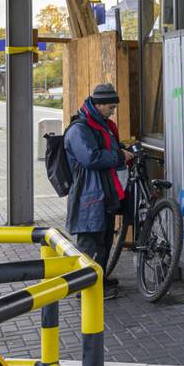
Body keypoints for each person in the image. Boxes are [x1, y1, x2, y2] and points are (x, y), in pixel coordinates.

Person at [64, 83, 133, 300]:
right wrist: (120, 156)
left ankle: (98, 279)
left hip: (103, 192)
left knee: (104, 238)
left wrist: (123, 149)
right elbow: (90, 158)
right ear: (99, 104)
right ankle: (85, 290)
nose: (113, 112)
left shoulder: (101, 126)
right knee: (90, 240)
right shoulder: (79, 129)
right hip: (88, 195)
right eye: (110, 107)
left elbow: (107, 150)